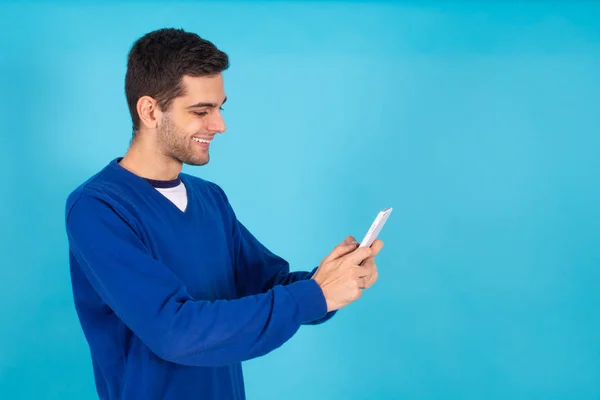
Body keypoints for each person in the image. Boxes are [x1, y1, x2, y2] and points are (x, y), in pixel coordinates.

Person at [64, 27, 384, 400]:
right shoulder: (99, 208)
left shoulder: (209, 198)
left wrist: (332, 278)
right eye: (201, 111)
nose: (219, 125)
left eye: (219, 107)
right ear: (150, 110)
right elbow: (175, 332)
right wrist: (316, 294)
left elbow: (268, 284)